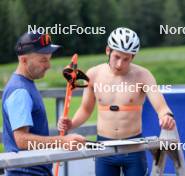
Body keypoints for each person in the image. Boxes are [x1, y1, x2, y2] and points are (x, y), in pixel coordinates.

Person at [58, 27, 176, 176]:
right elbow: (86, 109)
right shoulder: (93, 74)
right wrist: (72, 123)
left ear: (133, 57)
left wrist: (166, 116)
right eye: (117, 57)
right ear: (108, 51)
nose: (120, 64)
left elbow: (162, 108)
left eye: (126, 59)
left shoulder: (143, 76)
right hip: (104, 147)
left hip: (133, 148)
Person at [2, 31, 86, 176]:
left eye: (49, 59)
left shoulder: (26, 84)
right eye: (43, 60)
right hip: (26, 172)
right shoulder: (20, 91)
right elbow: (22, 140)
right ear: (23, 60)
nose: (48, 65)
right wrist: (62, 141)